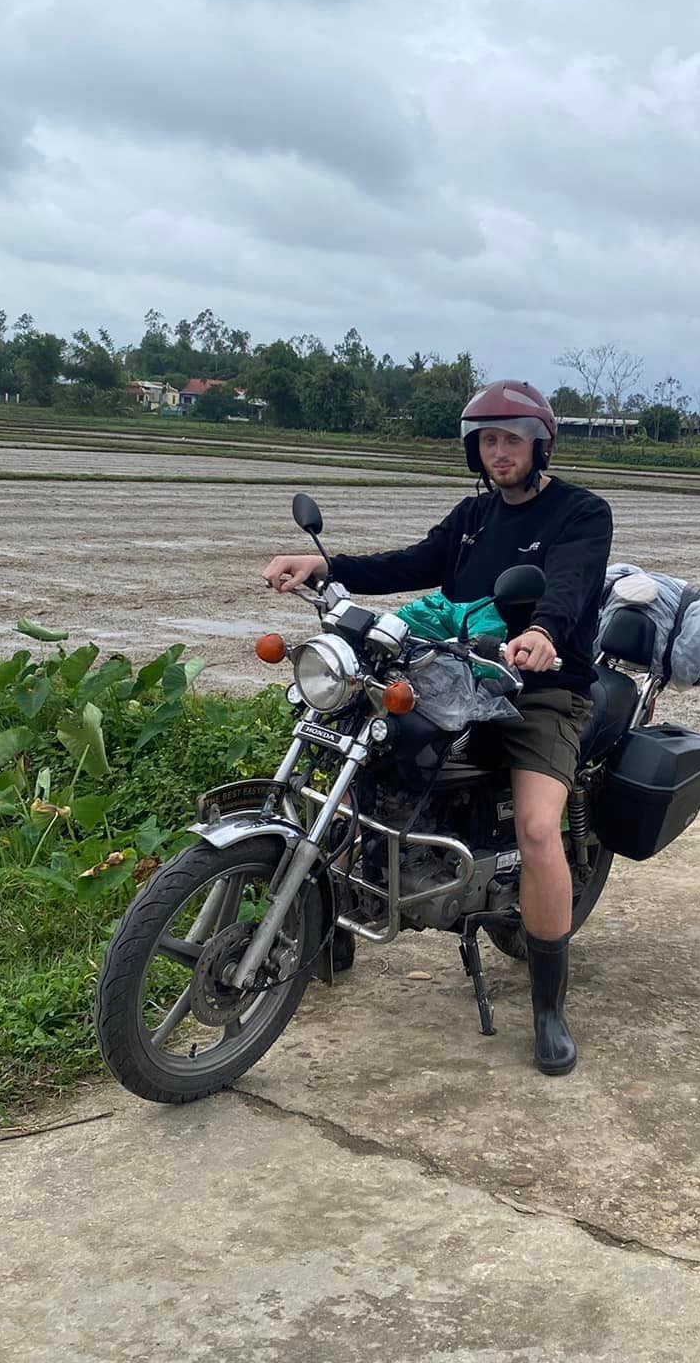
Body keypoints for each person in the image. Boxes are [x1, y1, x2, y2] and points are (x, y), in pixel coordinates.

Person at [262, 381, 614, 1076]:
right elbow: (413, 563)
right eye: (487, 440)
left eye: (511, 438)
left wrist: (542, 631)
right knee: (360, 766)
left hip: (540, 689)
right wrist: (326, 566)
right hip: (455, 675)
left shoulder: (581, 513)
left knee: (539, 828)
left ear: (540, 444)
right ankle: (336, 923)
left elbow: (571, 584)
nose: (499, 451)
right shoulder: (475, 516)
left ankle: (547, 1005)